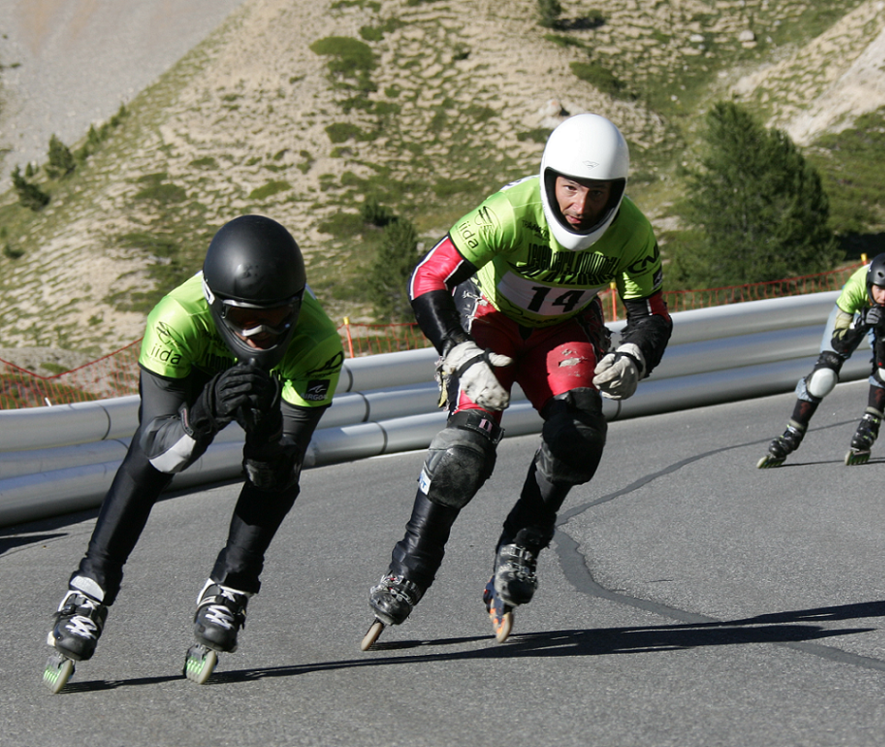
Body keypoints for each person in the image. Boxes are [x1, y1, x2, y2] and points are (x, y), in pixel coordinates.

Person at [363, 112, 672, 643]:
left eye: (597, 195)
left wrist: (634, 356)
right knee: (465, 450)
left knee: (579, 434)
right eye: (571, 189)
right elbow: (427, 275)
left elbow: (652, 315)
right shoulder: (508, 211)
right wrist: (457, 350)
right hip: (491, 319)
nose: (579, 209)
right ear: (549, 177)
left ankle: (522, 545)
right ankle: (411, 565)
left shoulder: (633, 232)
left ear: (617, 192)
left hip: (564, 329)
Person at [44, 215, 344, 690]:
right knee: (148, 464)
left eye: (276, 320)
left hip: (270, 389)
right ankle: (89, 589)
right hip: (193, 383)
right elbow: (158, 450)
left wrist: (265, 431)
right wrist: (203, 410)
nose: (260, 337)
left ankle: (232, 585)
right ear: (215, 305)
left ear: (296, 308)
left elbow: (285, 461)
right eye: (246, 320)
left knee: (274, 472)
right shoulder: (174, 317)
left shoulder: (319, 340)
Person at [757, 252, 885, 468]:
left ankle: (871, 423)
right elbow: (839, 344)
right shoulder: (855, 289)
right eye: (880, 289)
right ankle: (792, 432)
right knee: (824, 375)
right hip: (855, 315)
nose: (884, 297)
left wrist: (884, 332)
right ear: (870, 284)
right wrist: (861, 325)